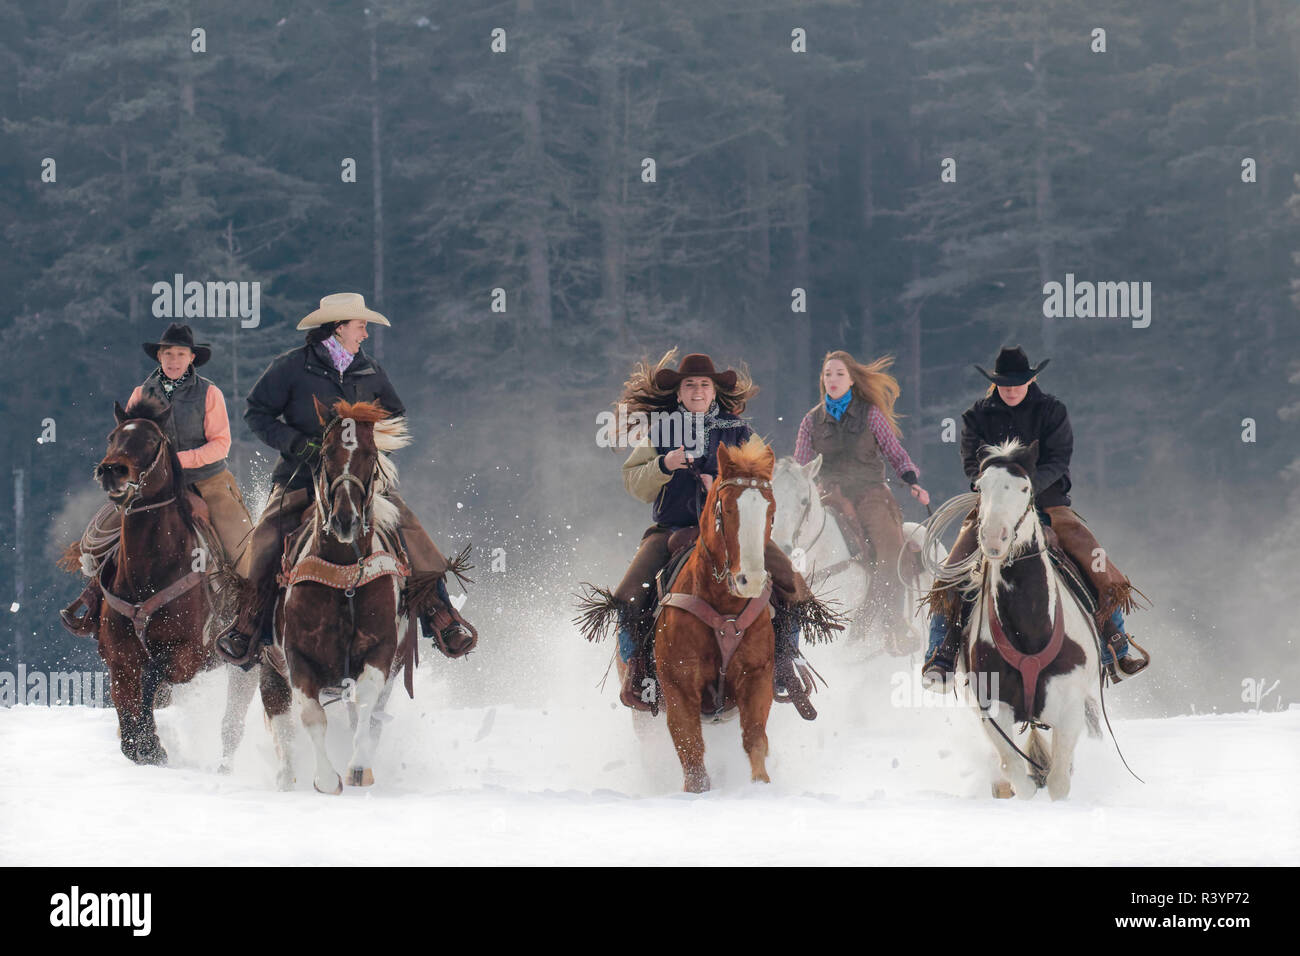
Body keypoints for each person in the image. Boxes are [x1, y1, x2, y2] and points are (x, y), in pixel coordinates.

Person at [213, 293, 476, 667]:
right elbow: (257, 412)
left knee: (409, 528)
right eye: (360, 326)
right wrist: (295, 444)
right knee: (268, 535)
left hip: (361, 483)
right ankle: (248, 625)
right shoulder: (290, 367)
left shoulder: (369, 371)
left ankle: (441, 616)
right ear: (338, 328)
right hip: (299, 477)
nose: (365, 334)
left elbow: (395, 415)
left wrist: (367, 453)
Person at [610, 350, 830, 719]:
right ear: (679, 394)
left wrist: (727, 486)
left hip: (735, 532)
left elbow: (764, 481)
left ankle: (784, 663)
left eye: (704, 385)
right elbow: (633, 481)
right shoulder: (661, 430)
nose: (697, 391)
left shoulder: (740, 431)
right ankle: (639, 673)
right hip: (672, 530)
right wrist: (664, 465)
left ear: (714, 392)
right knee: (627, 595)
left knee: (793, 585)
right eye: (690, 385)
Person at [921, 345, 1150, 688]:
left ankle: (1113, 644)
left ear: (1031, 380)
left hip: (1050, 504)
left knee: (1096, 560)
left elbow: (1059, 460)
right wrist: (995, 484)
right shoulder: (976, 416)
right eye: (1004, 383)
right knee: (950, 572)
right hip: (993, 505)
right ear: (995, 383)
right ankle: (941, 654)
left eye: (1018, 382)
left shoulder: (1052, 411)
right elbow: (971, 463)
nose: (1011, 388)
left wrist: (1026, 485)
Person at [59, 323, 254, 635]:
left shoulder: (209, 392)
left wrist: (176, 460)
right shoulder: (141, 393)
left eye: (180, 354)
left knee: (241, 547)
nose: (174, 360)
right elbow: (131, 440)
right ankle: (95, 602)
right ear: (159, 358)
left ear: (192, 358)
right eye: (168, 354)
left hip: (206, 481)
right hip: (151, 482)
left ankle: (249, 620)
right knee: (97, 538)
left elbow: (221, 444)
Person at [792, 351, 930, 652]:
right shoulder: (810, 421)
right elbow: (801, 466)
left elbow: (894, 451)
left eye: (839, 374)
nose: (832, 379)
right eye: (828, 374)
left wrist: (911, 480)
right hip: (830, 495)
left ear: (852, 380)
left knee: (891, 552)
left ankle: (894, 624)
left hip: (871, 494)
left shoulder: (870, 414)